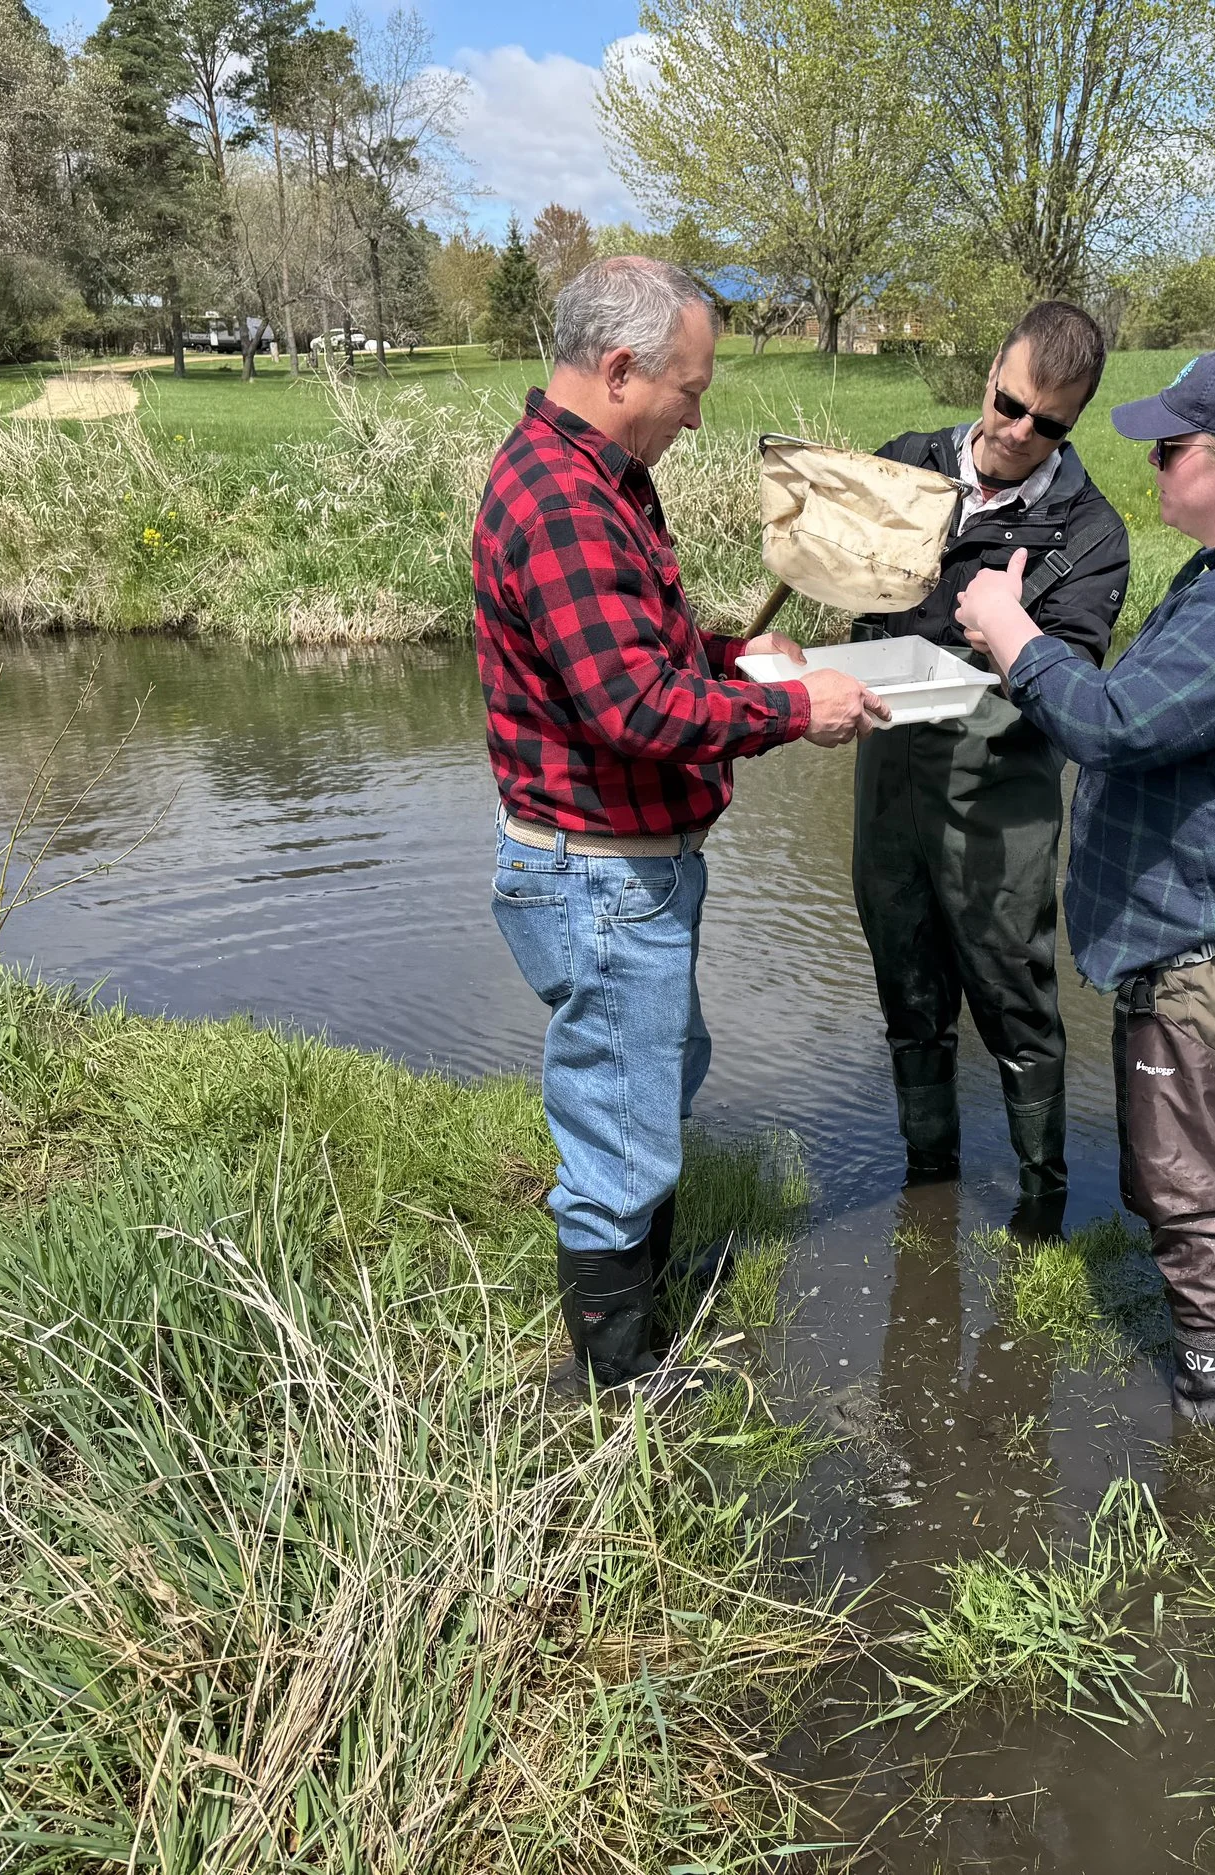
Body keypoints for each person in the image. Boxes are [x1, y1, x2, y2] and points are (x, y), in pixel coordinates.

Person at [474, 256, 888, 1386]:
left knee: (654, 1077)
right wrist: (794, 707)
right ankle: (619, 1384)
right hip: (599, 875)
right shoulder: (564, 502)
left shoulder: (591, 476)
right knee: (620, 1122)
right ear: (620, 369)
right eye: (690, 392)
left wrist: (733, 658)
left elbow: (634, 658)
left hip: (617, 868)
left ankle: (642, 1299)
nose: (695, 417)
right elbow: (632, 708)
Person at [956, 343, 1215, 1425]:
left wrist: (1013, 634)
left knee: (1185, 1180)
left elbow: (1111, 723)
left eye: (1170, 447)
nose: (1148, 462)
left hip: (1213, 950)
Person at [847, 302, 1132, 1237]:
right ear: (989, 378)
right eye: (1011, 404)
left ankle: (1041, 1200)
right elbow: (857, 607)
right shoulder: (905, 467)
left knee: (1014, 993)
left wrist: (1005, 636)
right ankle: (926, 1190)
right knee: (907, 984)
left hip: (1001, 789)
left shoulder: (1092, 535)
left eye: (1049, 423)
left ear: (1074, 422)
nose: (1020, 432)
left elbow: (1068, 682)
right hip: (887, 770)